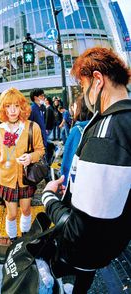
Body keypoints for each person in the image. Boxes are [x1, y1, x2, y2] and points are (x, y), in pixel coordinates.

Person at [41, 47, 131, 293]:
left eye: (83, 86)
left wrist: (48, 198)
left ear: (98, 80)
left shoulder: (107, 132)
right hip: (113, 241)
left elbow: (81, 230)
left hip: (85, 250)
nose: (84, 95)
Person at [0, 88, 45, 242]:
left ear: (22, 106)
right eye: (8, 106)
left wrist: (30, 157)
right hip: (6, 179)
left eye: (16, 105)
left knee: (27, 210)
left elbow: (41, 150)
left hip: (25, 178)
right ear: (3, 108)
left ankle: (25, 236)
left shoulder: (32, 127)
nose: (13, 110)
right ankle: (13, 238)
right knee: (12, 214)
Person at [60, 95, 93, 186]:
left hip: (78, 181)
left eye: (74, 107)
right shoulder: (97, 125)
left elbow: (68, 159)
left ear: (80, 108)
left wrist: (64, 182)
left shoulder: (77, 129)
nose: (72, 110)